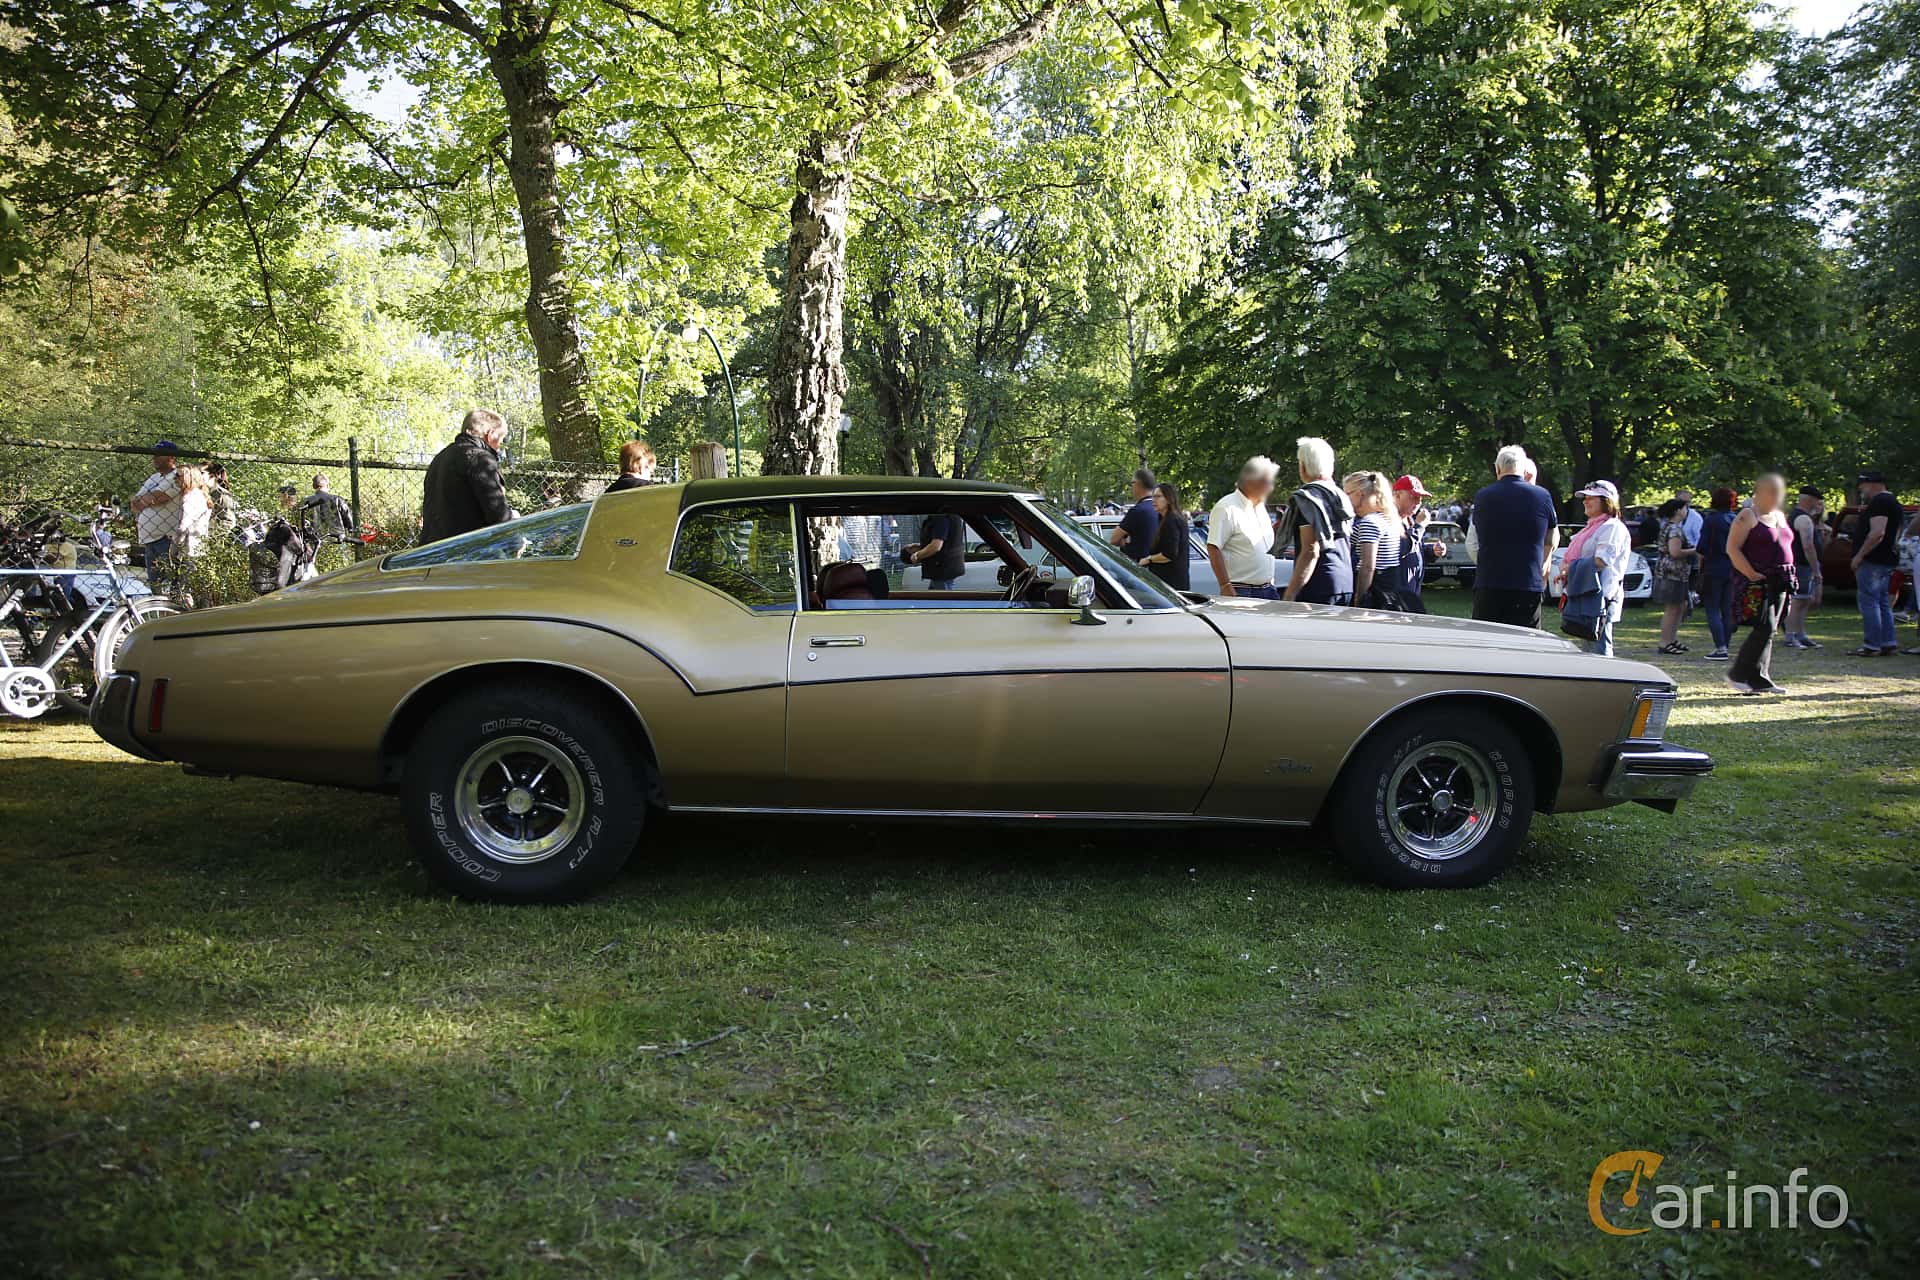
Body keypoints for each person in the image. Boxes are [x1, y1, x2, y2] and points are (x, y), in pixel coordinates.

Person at [1468, 445, 1556, 628]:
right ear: (1523, 469)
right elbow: (1551, 534)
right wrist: (1545, 563)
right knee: (1526, 640)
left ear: (1498, 469)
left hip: (1490, 582)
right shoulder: (1542, 496)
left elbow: (1476, 535)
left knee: (1487, 638)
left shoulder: (1483, 497)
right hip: (1528, 583)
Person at [1725, 473, 1797, 695]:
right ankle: (1738, 674)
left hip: (1782, 579)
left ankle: (1760, 678)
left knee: (1771, 629)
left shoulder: (1779, 516)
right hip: (1758, 579)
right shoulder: (1748, 515)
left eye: (1779, 492)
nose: (1776, 496)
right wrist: (1750, 573)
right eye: (1771, 491)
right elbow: (1732, 548)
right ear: (1758, 492)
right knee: (1764, 626)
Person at [1558, 480, 1632, 656]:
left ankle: (1607, 675)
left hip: (1601, 598)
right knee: (1589, 648)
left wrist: (1570, 568)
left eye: (1591, 497)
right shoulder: (1592, 527)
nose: (1585, 501)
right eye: (1585, 497)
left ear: (1606, 501)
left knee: (1600, 649)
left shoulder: (1612, 527)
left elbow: (1601, 561)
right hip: (1586, 595)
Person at [1279, 437, 1354, 605]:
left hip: (1318, 584)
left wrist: (1290, 594)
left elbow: (1310, 550)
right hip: (1345, 580)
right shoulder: (1340, 495)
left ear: (1303, 466)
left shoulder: (1307, 499)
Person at [422, 409, 514, 544]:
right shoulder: (480, 458)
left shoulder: (439, 458)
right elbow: (499, 516)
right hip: (468, 549)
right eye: (500, 439)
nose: (500, 447)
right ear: (491, 434)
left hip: (432, 548)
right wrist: (513, 518)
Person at [1206, 456, 1280, 599]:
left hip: (1268, 589)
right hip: (1242, 591)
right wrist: (1225, 586)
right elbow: (1213, 547)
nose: (1270, 487)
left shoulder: (1260, 507)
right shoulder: (1226, 507)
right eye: (1266, 482)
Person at [1850, 470, 1903, 657]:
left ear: (1872, 484)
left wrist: (1859, 555)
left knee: (1869, 601)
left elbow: (1877, 532)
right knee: (1882, 602)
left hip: (1873, 560)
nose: (1861, 490)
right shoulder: (1894, 502)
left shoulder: (1879, 502)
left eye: (1862, 486)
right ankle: (1888, 642)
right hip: (1887, 559)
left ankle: (1872, 645)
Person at [1343, 470, 1408, 609]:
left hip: (1375, 595)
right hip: (1390, 592)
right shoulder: (1387, 519)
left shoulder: (1369, 522)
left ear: (1360, 494)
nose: (1344, 499)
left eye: (1347, 494)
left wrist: (1359, 600)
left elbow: (1367, 566)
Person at [128, 440, 183, 590]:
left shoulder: (176, 476)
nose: (154, 457)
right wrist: (145, 500)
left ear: (172, 457)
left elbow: (159, 497)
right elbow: (134, 502)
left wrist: (145, 500)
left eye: (159, 454)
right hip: (149, 541)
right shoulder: (154, 478)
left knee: (171, 585)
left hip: (166, 539)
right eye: (154, 454)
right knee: (155, 587)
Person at [1651, 498, 1698, 655]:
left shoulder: (1668, 526)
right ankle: (1665, 642)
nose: (1686, 512)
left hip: (1675, 573)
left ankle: (1671, 639)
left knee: (1679, 606)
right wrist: (1695, 550)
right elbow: (1675, 552)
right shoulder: (1674, 530)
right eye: (1684, 508)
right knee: (1672, 608)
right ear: (1677, 511)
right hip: (1672, 573)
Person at [1698, 488, 1739, 661]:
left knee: (1712, 608)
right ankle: (1725, 645)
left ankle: (1720, 646)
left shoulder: (1711, 520)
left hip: (1714, 566)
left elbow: (1702, 547)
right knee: (1727, 609)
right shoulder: (1736, 519)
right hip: (1733, 566)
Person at [1391, 475, 1445, 605]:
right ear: (1397, 495)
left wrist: (1432, 551)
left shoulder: (1409, 520)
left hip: (1411, 594)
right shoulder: (1388, 520)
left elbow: (1414, 549)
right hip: (1394, 597)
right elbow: (1399, 549)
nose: (1418, 502)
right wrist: (1419, 527)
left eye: (1420, 498)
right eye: (1413, 497)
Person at [1784, 486, 1826, 650]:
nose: (1819, 504)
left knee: (1804, 601)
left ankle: (1800, 634)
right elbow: (1807, 546)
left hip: (1801, 565)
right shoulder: (1803, 519)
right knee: (1797, 601)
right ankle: (1791, 636)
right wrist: (1816, 570)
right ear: (1811, 500)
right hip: (1801, 565)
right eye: (1818, 500)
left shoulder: (1798, 516)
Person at [1139, 482, 1191, 591]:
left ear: (1168, 499)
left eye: (1158, 496)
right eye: (1153, 497)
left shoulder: (1171, 520)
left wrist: (1149, 559)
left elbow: (1169, 554)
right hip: (1168, 581)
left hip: (1172, 583)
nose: (1154, 500)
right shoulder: (1164, 519)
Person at [1109, 467, 1161, 565]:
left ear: (1137, 484)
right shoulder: (1161, 509)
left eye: (1132, 483)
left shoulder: (1137, 511)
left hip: (1139, 566)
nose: (1131, 487)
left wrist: (1124, 542)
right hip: (1159, 565)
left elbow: (1114, 540)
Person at [904, 511, 966, 589]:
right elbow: (941, 542)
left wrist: (917, 555)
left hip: (942, 569)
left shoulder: (940, 516)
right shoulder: (943, 515)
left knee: (941, 595)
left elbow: (936, 546)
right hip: (944, 569)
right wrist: (923, 546)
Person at [204, 463, 239, 528]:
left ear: (213, 476)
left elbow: (228, 522)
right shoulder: (201, 492)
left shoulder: (221, 494)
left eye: (202, 473)